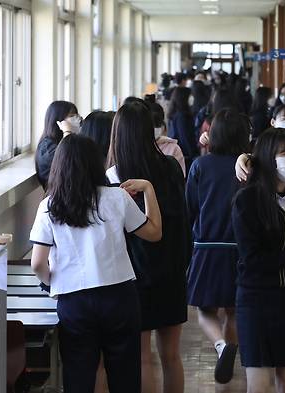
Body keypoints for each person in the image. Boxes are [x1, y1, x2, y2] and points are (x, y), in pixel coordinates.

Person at [29, 134, 162, 392]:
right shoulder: (117, 198)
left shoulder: (49, 206)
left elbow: (37, 263)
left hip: (74, 301)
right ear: (96, 164)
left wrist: (53, 281)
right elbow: (154, 233)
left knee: (79, 377)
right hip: (119, 297)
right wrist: (148, 189)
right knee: (125, 376)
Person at [107, 102, 191, 393]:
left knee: (143, 359)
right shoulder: (169, 167)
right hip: (171, 272)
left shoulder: (116, 177)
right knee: (171, 356)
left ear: (118, 135)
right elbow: (182, 218)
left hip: (134, 277)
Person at [231, 128, 285, 393]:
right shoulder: (247, 199)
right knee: (259, 383)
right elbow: (251, 256)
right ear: (269, 157)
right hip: (256, 298)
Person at [186, 109, 251, 384]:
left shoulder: (201, 166)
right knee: (233, 309)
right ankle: (230, 351)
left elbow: (190, 207)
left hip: (207, 246)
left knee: (205, 310)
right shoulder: (249, 166)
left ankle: (222, 346)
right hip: (240, 248)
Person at [35, 101, 80, 189]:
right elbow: (67, 162)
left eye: (76, 115)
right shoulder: (47, 147)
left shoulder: (65, 140)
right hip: (57, 196)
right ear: (58, 122)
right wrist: (67, 132)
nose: (77, 119)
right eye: (71, 116)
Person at [148, 101, 186, 175]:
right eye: (150, 125)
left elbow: (180, 179)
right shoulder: (136, 148)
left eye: (157, 124)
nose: (154, 128)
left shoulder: (174, 148)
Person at [167, 86, 199, 171]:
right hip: (186, 156)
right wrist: (194, 154)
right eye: (190, 96)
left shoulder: (176, 113)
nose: (192, 98)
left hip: (179, 153)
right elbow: (185, 138)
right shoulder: (182, 117)